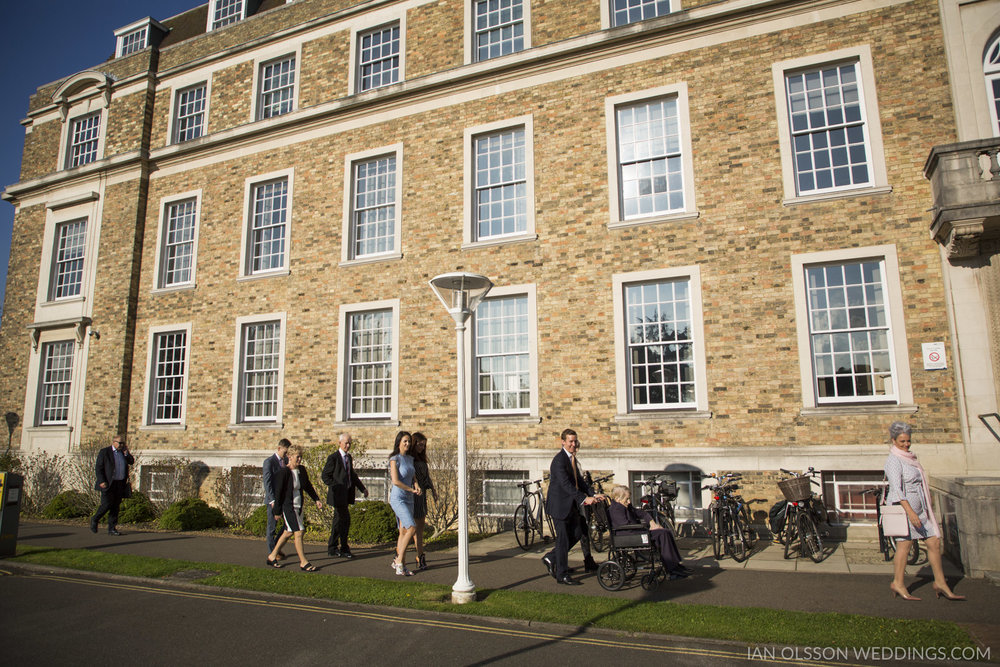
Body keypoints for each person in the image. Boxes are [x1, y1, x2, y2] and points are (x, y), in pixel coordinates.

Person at [884, 422, 965, 601]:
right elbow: (897, 489)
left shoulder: (910, 458)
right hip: (905, 510)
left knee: (934, 542)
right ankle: (898, 582)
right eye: (902, 441)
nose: (906, 444)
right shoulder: (894, 460)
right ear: (893, 440)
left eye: (908, 441)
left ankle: (940, 583)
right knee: (904, 546)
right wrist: (910, 512)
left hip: (921, 511)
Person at [541, 429, 603, 585]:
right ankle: (561, 574)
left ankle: (552, 557)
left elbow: (580, 482)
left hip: (571, 505)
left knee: (578, 533)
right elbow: (565, 485)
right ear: (563, 442)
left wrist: (593, 495)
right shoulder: (559, 461)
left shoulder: (572, 459)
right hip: (559, 506)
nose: (573, 444)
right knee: (562, 540)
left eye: (575, 441)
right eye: (570, 441)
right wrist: (583, 499)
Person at [607, 484, 690, 578]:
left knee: (666, 532)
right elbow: (626, 527)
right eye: (627, 499)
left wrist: (652, 523)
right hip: (629, 536)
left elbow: (641, 513)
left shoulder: (625, 506)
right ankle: (672, 569)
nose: (629, 501)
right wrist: (645, 528)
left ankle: (675, 565)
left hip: (635, 533)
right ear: (618, 499)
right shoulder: (616, 510)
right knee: (663, 535)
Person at [267, 446, 322, 571]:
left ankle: (272, 556)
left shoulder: (301, 470)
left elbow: (307, 486)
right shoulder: (283, 472)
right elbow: (279, 493)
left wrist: (316, 499)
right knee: (299, 532)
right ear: (289, 457)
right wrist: (277, 511)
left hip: (299, 506)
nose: (300, 459)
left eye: (301, 457)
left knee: (288, 532)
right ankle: (303, 562)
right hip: (288, 507)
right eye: (297, 457)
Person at [322, 433, 369, 559]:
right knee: (344, 520)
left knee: (339, 522)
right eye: (346, 443)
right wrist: (336, 486)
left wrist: (362, 488)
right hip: (337, 496)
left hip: (346, 495)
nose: (348, 445)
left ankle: (333, 548)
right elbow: (325, 476)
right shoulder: (333, 458)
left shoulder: (349, 458)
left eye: (350, 443)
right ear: (340, 443)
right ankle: (343, 548)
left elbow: (352, 476)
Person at [388, 431, 421, 576]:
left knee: (403, 531)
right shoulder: (394, 459)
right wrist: (411, 489)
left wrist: (416, 485)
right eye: (404, 441)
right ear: (399, 442)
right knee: (412, 527)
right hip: (398, 498)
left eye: (408, 441)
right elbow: (395, 481)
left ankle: (402, 564)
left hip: (409, 498)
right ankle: (399, 560)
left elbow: (412, 476)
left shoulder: (410, 458)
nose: (407, 444)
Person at [90, 434, 134, 536]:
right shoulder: (105, 452)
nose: (121, 445)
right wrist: (101, 480)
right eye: (120, 443)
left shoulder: (123, 453)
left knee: (115, 506)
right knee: (106, 504)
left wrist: (127, 454)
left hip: (120, 483)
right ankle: (95, 519)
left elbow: (131, 462)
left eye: (123, 443)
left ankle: (112, 528)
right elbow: (99, 468)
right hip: (108, 483)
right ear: (114, 442)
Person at [409, 432, 438, 571]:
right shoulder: (409, 459)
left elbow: (427, 476)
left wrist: (433, 490)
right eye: (420, 445)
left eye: (424, 445)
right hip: (412, 494)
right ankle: (400, 555)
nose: (422, 447)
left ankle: (420, 555)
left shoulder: (422, 458)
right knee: (410, 528)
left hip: (422, 495)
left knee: (420, 527)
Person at [263, 438, 290, 558]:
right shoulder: (269, 462)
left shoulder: (286, 461)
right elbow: (267, 482)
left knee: (287, 526)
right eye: (285, 452)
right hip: (273, 501)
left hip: (283, 499)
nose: (286, 455)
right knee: (271, 528)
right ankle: (271, 552)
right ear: (279, 448)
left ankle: (276, 547)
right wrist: (272, 500)